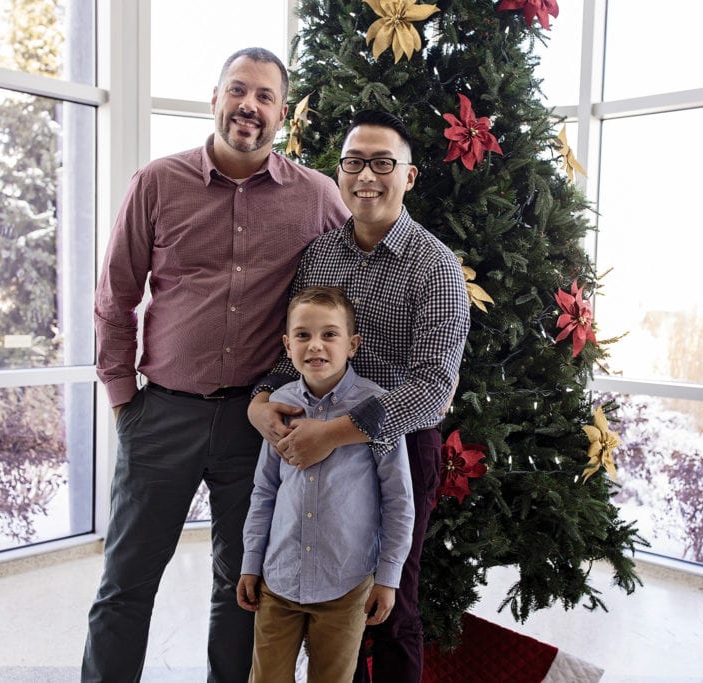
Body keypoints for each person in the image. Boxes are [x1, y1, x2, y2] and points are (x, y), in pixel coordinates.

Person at [83, 47, 348, 683]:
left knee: (241, 587)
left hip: (254, 423)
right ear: (215, 98)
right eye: (238, 91)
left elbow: (356, 277)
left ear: (282, 115)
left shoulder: (315, 197)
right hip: (161, 415)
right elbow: (114, 298)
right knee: (125, 584)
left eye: (264, 97)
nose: (248, 107)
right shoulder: (156, 182)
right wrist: (125, 401)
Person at [248, 110, 470, 683]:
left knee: (391, 604)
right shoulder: (321, 256)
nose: (365, 175)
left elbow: (433, 389)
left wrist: (334, 433)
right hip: (306, 434)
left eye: (381, 163)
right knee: (299, 587)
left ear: (409, 176)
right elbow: (293, 348)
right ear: (340, 172)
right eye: (353, 162)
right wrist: (260, 399)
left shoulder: (436, 267)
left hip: (395, 445)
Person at [237, 286, 415, 682]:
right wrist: (251, 563)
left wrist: (388, 577)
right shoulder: (278, 406)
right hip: (278, 581)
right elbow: (264, 491)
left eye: (329, 334)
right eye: (303, 335)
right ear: (287, 345)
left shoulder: (375, 407)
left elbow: (398, 500)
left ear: (352, 345)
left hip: (345, 584)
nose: (315, 345)